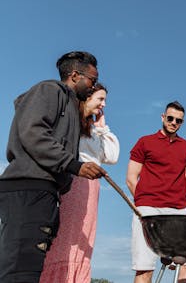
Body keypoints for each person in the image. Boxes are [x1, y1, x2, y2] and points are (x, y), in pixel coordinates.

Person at [0, 51, 106, 283]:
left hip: (47, 191)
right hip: (27, 188)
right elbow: (33, 132)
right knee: (18, 269)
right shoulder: (48, 90)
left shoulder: (71, 107)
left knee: (31, 269)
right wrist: (73, 165)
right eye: (92, 80)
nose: (93, 86)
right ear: (75, 75)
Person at [40, 83, 120, 283]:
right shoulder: (69, 122)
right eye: (100, 99)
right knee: (67, 238)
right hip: (73, 182)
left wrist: (102, 127)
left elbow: (112, 156)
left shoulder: (94, 129)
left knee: (85, 237)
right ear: (87, 97)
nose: (104, 104)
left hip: (91, 188)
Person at [126, 100, 186, 283]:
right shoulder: (145, 142)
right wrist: (144, 201)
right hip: (147, 210)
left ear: (182, 123)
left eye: (178, 120)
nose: (174, 122)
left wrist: (174, 197)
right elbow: (131, 177)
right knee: (144, 267)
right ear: (163, 117)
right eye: (170, 118)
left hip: (177, 210)